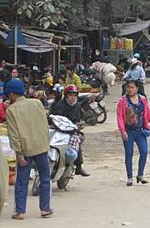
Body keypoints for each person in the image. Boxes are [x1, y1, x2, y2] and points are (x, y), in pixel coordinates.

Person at [5, 79, 52, 219]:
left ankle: (20, 211)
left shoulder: (11, 110)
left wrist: (18, 154)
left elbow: (14, 135)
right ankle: (45, 209)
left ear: (13, 95)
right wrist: (45, 144)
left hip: (25, 150)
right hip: (41, 147)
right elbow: (45, 125)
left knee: (21, 181)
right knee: (44, 178)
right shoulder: (37, 103)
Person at [117, 80, 150, 186]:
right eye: (128, 87)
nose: (129, 89)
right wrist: (122, 131)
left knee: (144, 152)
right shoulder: (122, 101)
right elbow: (120, 117)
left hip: (140, 131)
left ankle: (140, 175)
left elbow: (147, 111)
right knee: (129, 154)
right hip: (128, 132)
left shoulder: (143, 100)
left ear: (137, 89)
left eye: (132, 87)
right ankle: (129, 177)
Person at [49, 84, 90, 177]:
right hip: (58, 130)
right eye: (70, 95)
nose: (73, 98)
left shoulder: (78, 106)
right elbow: (52, 116)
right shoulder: (59, 105)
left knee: (78, 140)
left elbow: (78, 120)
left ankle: (78, 166)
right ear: (66, 95)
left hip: (71, 131)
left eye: (75, 96)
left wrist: (77, 126)